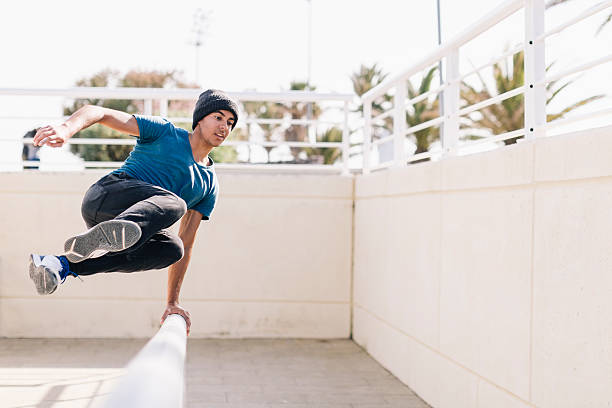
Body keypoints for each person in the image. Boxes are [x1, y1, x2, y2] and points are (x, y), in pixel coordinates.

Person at [28, 89, 239, 335]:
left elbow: (188, 244)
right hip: (107, 196)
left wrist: (172, 302)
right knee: (176, 204)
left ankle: (61, 265)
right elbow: (99, 113)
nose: (224, 126)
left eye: (230, 123)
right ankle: (117, 231)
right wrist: (66, 128)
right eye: (219, 117)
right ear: (200, 118)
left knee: (173, 249)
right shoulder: (165, 132)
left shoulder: (208, 185)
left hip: (133, 227)